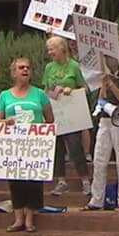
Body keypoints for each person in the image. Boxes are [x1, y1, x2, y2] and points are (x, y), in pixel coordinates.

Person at [0, 57, 55, 233]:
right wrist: (5, 122)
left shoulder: (39, 94)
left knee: (33, 182)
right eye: (21, 68)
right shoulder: (4, 96)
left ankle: (30, 219)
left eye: (28, 68)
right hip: (13, 146)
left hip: (34, 146)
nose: (25, 70)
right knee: (16, 181)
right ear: (13, 72)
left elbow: (50, 120)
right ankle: (18, 219)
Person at [83, 43, 119, 212]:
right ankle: (96, 199)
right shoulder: (109, 76)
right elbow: (102, 99)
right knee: (99, 160)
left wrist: (111, 83)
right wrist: (104, 85)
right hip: (106, 119)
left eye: (111, 56)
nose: (108, 60)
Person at [42, 35, 91, 197]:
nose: (50, 52)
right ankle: (61, 181)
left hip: (71, 112)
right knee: (57, 147)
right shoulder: (49, 67)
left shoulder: (74, 66)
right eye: (48, 49)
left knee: (75, 145)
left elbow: (85, 88)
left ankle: (85, 180)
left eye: (52, 49)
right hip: (55, 112)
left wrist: (72, 91)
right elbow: (45, 89)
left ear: (62, 48)